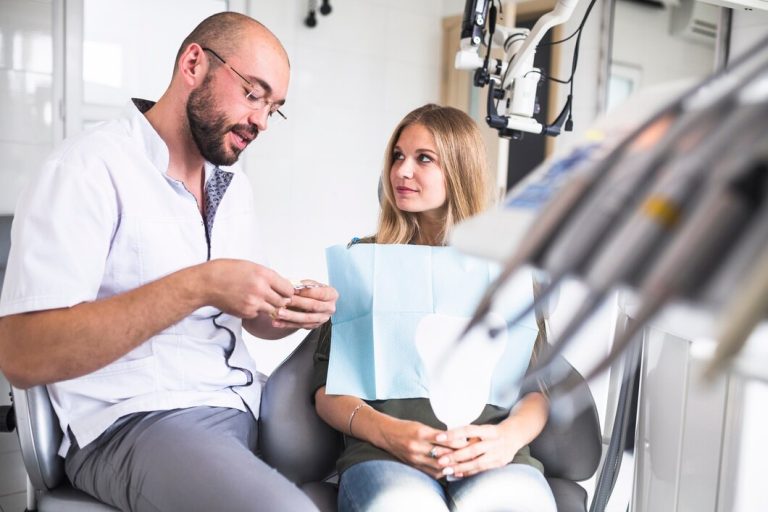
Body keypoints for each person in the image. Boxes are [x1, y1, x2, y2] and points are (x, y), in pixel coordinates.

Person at [0, 12, 336, 512]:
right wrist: (198, 285)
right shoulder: (88, 168)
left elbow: (247, 317)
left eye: (274, 107)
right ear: (194, 64)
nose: (262, 121)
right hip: (138, 419)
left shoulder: (233, 185)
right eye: (253, 93)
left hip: (242, 402)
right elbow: (24, 355)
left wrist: (284, 311)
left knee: (369, 474)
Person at [313, 104, 557, 511]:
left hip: (491, 455)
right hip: (384, 454)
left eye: (423, 158)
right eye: (397, 156)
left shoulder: (508, 268)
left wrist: (506, 439)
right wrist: (391, 434)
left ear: (459, 170)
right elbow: (327, 391)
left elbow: (539, 390)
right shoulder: (363, 262)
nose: (401, 171)